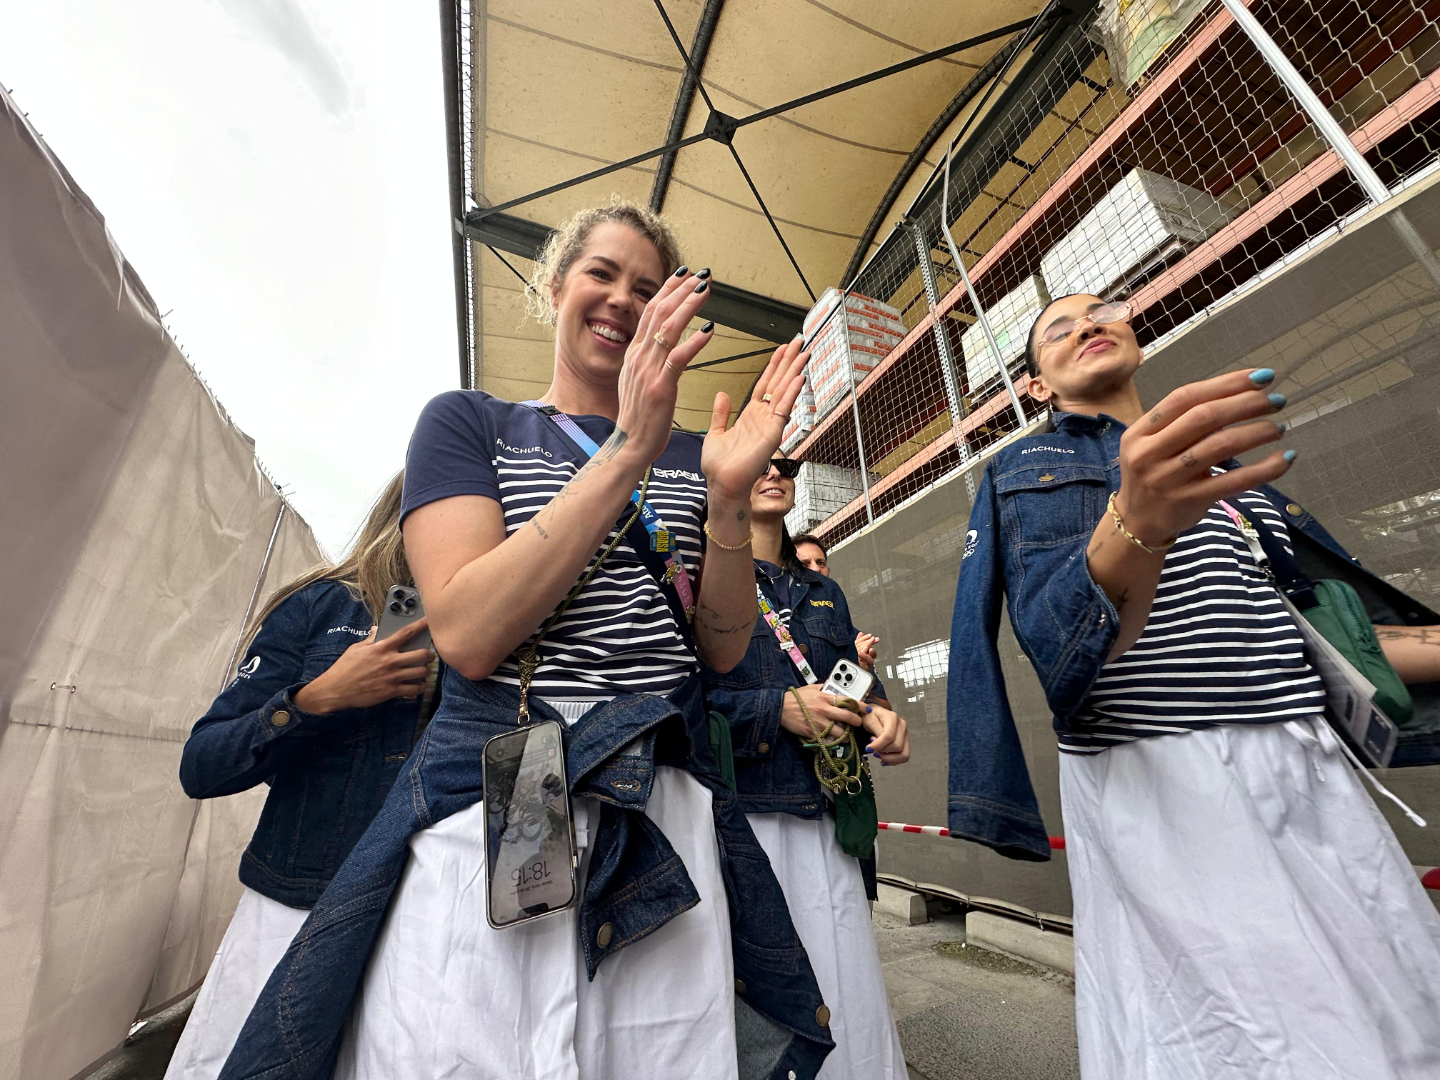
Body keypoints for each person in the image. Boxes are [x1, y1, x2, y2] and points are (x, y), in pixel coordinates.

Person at [217, 203, 832, 1080]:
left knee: (656, 1054)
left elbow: (723, 650)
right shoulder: (472, 424)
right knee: (472, 1045)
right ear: (554, 287)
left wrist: (727, 499)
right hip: (505, 771)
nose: (624, 299)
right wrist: (625, 449)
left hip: (664, 795)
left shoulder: (699, 454)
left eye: (649, 288)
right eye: (603, 274)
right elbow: (467, 633)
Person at [945, 292, 1440, 1077]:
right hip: (1167, 772)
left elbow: (1327, 641)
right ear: (1036, 386)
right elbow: (1057, 650)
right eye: (1057, 330)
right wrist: (1134, 521)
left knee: (1401, 1013)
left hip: (1309, 766)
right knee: (1263, 1037)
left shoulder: (1234, 474)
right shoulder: (1021, 469)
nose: (1086, 325)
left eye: (1103, 309)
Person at [166, 473, 436, 1079]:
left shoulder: (512, 629)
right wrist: (317, 698)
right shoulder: (323, 605)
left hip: (429, 916)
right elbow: (202, 764)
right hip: (297, 908)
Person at [703, 455, 909, 1079]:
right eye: (759, 462)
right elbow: (687, 699)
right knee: (767, 998)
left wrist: (879, 713)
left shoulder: (826, 590)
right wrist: (777, 711)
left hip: (830, 818)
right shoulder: (709, 577)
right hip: (750, 821)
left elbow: (851, 683)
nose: (774, 471)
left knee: (849, 985)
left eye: (785, 464)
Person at [794, 532, 879, 672]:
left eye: (821, 563)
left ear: (828, 571)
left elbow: (877, 694)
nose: (816, 569)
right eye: (804, 564)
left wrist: (860, 670)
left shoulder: (851, 634)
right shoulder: (774, 622)